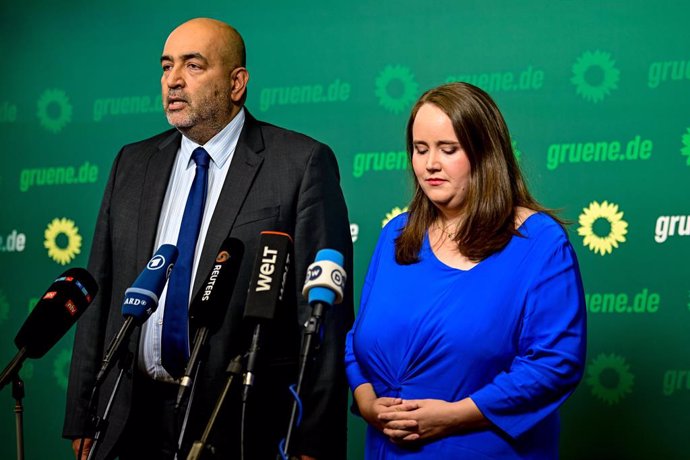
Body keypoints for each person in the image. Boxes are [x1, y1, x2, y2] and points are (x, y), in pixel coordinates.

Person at [63, 18, 353, 460]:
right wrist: (83, 413)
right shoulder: (132, 164)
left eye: (193, 66)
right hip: (129, 416)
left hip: (239, 420)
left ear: (237, 83)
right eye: (166, 67)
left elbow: (323, 320)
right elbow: (99, 296)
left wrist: (313, 438)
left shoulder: (299, 164)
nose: (173, 81)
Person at [345, 82, 586, 459]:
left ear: (485, 153)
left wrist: (454, 416)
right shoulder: (397, 232)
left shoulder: (539, 241)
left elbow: (556, 363)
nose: (430, 164)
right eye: (420, 149)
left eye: (448, 149)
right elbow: (357, 339)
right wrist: (367, 402)